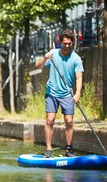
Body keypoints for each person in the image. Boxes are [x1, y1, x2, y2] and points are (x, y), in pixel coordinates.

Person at [36, 29, 84, 158]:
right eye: (65, 44)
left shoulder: (76, 59)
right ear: (60, 43)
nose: (67, 46)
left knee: (69, 121)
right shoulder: (53, 54)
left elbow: (79, 77)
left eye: (69, 43)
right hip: (51, 92)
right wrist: (45, 58)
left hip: (67, 94)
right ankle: (48, 150)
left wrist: (77, 93)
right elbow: (38, 66)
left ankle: (68, 150)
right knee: (50, 120)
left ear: (72, 43)